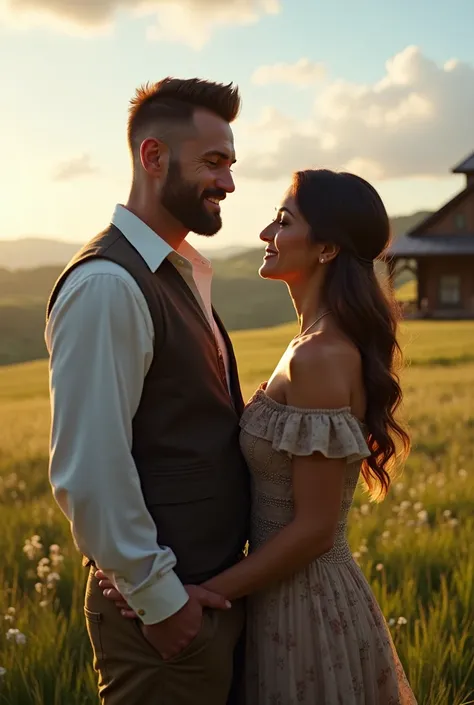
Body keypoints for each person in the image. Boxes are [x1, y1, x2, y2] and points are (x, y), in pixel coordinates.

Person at [99, 169, 418, 704]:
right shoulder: (310, 345)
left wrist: (197, 596)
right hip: (274, 592)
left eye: (284, 221)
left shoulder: (319, 357)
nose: (266, 234)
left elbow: (315, 529)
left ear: (327, 249)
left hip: (307, 602)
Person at [45, 77, 251, 705]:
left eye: (231, 163)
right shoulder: (108, 284)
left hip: (205, 602)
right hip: (163, 625)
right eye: (213, 162)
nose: (230, 183)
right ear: (153, 156)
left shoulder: (176, 273)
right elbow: (90, 470)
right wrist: (161, 603)